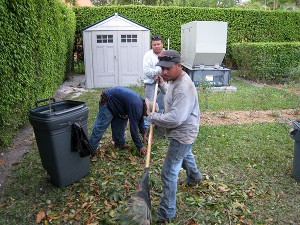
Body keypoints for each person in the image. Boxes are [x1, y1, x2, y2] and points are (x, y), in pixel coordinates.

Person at [148, 50, 202, 223]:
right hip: (186, 131)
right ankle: (195, 177)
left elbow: (175, 118)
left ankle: (167, 212)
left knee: (169, 172)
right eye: (161, 69)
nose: (164, 72)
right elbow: (171, 95)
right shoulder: (174, 80)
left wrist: (153, 116)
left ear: (179, 65)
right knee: (185, 155)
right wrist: (163, 84)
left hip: (182, 133)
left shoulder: (184, 87)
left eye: (167, 69)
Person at [89, 86, 157, 156]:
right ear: (146, 107)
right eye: (147, 113)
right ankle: (90, 150)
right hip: (108, 100)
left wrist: (143, 133)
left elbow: (140, 119)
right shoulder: (137, 107)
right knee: (101, 127)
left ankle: (119, 144)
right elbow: (133, 129)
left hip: (119, 106)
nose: (146, 115)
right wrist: (140, 146)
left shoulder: (141, 105)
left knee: (120, 124)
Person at [143, 35, 165, 136]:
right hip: (151, 84)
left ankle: (159, 128)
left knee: (161, 106)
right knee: (148, 106)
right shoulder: (148, 55)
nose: (156, 46)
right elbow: (147, 71)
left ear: (162, 44)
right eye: (154, 45)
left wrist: (159, 74)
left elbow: (169, 69)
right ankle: (146, 129)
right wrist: (157, 72)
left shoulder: (166, 54)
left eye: (158, 44)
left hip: (163, 84)